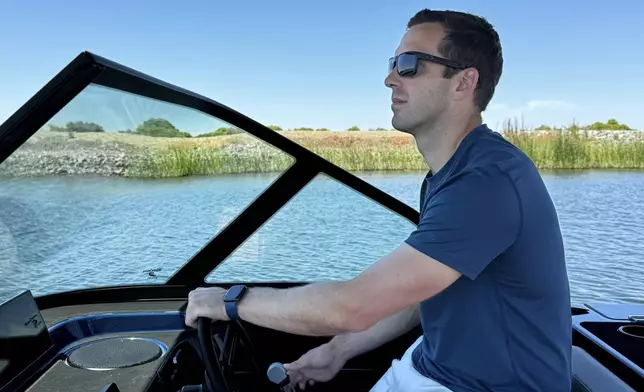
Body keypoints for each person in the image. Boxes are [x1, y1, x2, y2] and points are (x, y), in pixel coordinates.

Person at [185, 8, 573, 392]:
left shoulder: (487, 183)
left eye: (409, 64)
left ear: (463, 82)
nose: (390, 79)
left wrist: (229, 301)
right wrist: (339, 350)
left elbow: (353, 306)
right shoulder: (450, 174)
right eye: (393, 63)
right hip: (431, 366)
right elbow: (420, 290)